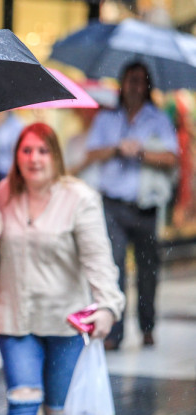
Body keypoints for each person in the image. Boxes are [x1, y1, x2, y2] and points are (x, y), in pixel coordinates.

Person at [0, 122, 125, 415]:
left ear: (56, 156)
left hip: (65, 323)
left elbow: (98, 258)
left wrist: (108, 306)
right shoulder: (4, 193)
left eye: (43, 150)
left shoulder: (80, 198)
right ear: (16, 157)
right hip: (15, 320)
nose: (34, 158)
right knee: (22, 403)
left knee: (58, 408)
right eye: (26, 150)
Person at [84, 62, 178, 351]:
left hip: (146, 206)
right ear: (122, 83)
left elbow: (172, 158)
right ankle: (114, 331)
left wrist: (142, 152)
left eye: (141, 80)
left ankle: (147, 326)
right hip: (113, 204)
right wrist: (116, 148)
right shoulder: (107, 118)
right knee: (113, 268)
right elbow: (91, 153)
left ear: (147, 85)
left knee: (148, 269)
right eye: (131, 79)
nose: (135, 85)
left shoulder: (158, 118)